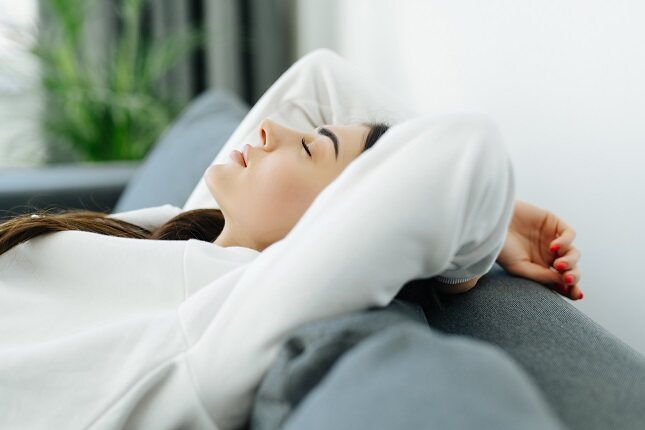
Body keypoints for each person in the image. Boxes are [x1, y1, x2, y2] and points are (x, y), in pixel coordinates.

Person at [0, 48, 581, 429]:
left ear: (337, 225)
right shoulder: (198, 239)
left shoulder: (227, 319)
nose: (272, 126)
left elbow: (467, 149)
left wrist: (484, 238)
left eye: (309, 147)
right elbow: (319, 75)